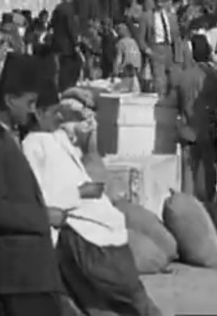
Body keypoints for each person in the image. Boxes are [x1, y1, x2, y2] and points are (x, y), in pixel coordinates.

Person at [23, 81, 161, 316]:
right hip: (80, 232)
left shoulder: (59, 137)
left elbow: (83, 150)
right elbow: (43, 199)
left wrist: (88, 132)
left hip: (104, 225)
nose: (59, 116)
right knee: (128, 297)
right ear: (37, 113)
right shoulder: (31, 146)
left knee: (118, 300)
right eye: (53, 111)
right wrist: (80, 193)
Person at [0, 54, 63, 316]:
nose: (33, 110)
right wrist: (44, 216)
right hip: (14, 277)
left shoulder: (6, 138)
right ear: (10, 100)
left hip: (22, 276)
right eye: (29, 102)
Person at [175, 34, 217, 203]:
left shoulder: (183, 77)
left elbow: (178, 103)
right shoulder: (216, 77)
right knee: (208, 174)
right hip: (209, 131)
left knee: (188, 175)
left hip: (188, 131)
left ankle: (188, 208)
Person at [137, 0, 184, 96]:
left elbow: (177, 37)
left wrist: (178, 56)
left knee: (173, 80)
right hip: (156, 48)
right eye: (158, 1)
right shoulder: (146, 16)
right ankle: (161, 101)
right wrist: (148, 51)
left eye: (163, 1)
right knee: (160, 81)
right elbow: (140, 39)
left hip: (170, 49)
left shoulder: (171, 17)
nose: (161, 4)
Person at [51, 0, 81, 91]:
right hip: (67, 44)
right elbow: (70, 27)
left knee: (57, 67)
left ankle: (56, 86)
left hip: (56, 42)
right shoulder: (69, 9)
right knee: (67, 66)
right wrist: (75, 43)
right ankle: (64, 87)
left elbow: (52, 23)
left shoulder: (57, 8)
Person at [114, 23, 143, 91]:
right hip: (135, 68)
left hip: (125, 69)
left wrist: (115, 70)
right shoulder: (133, 41)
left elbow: (119, 58)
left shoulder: (121, 43)